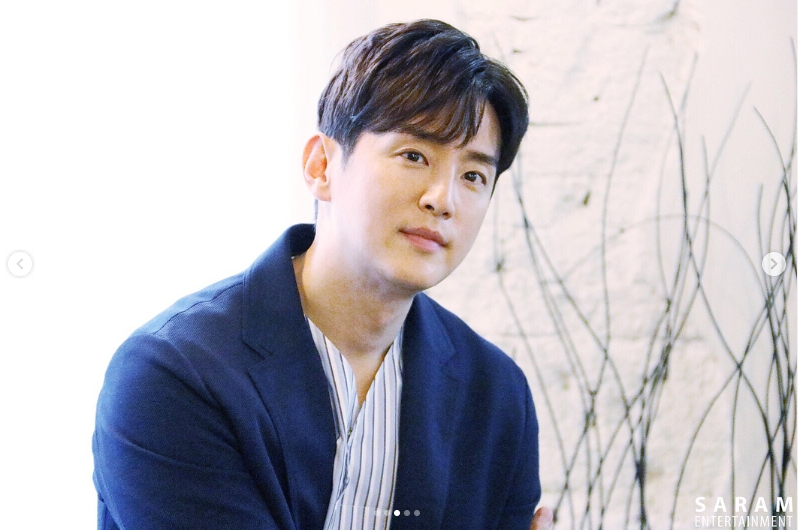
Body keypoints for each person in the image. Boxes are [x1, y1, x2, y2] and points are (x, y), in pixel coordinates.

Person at [93, 19, 551, 530]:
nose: (442, 198)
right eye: (414, 155)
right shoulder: (174, 374)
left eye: (473, 175)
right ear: (321, 166)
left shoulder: (496, 395)